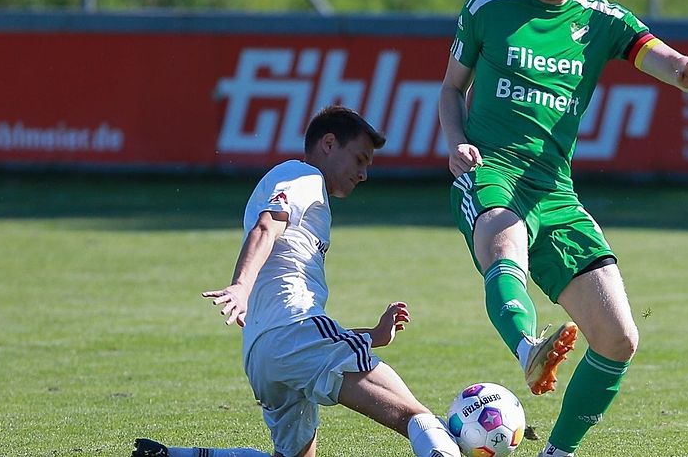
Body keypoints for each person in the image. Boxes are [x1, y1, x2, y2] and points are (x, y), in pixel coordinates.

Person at [437, 0, 688, 455]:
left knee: (618, 338)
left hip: (556, 192)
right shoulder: (487, 8)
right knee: (505, 247)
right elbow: (451, 90)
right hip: (491, 170)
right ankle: (527, 349)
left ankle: (558, 452)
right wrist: (456, 142)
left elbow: (655, 54)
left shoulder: (599, 19)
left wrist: (684, 71)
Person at [133, 106, 461, 457]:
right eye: (360, 159)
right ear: (329, 143)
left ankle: (174, 455)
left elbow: (289, 310)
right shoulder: (302, 176)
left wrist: (372, 336)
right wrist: (241, 285)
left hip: (262, 352)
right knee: (417, 417)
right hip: (292, 331)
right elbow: (267, 225)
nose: (364, 173)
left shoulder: (305, 190)